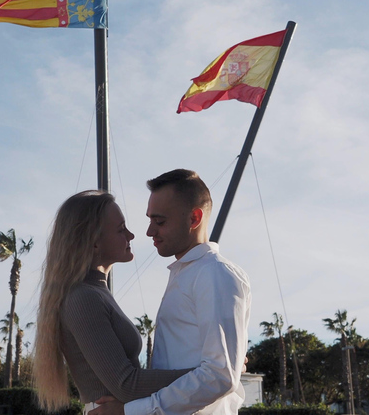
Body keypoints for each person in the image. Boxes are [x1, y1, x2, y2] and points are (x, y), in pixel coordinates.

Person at [92, 168, 252, 415]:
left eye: (160, 221)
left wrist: (130, 412)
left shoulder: (214, 274)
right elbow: (221, 369)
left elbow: (220, 375)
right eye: (150, 220)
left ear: (194, 219)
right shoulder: (188, 274)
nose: (149, 231)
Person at [32, 191, 192, 413]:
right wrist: (211, 374)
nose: (131, 235)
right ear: (94, 243)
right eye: (121, 229)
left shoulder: (94, 292)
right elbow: (127, 385)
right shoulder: (83, 298)